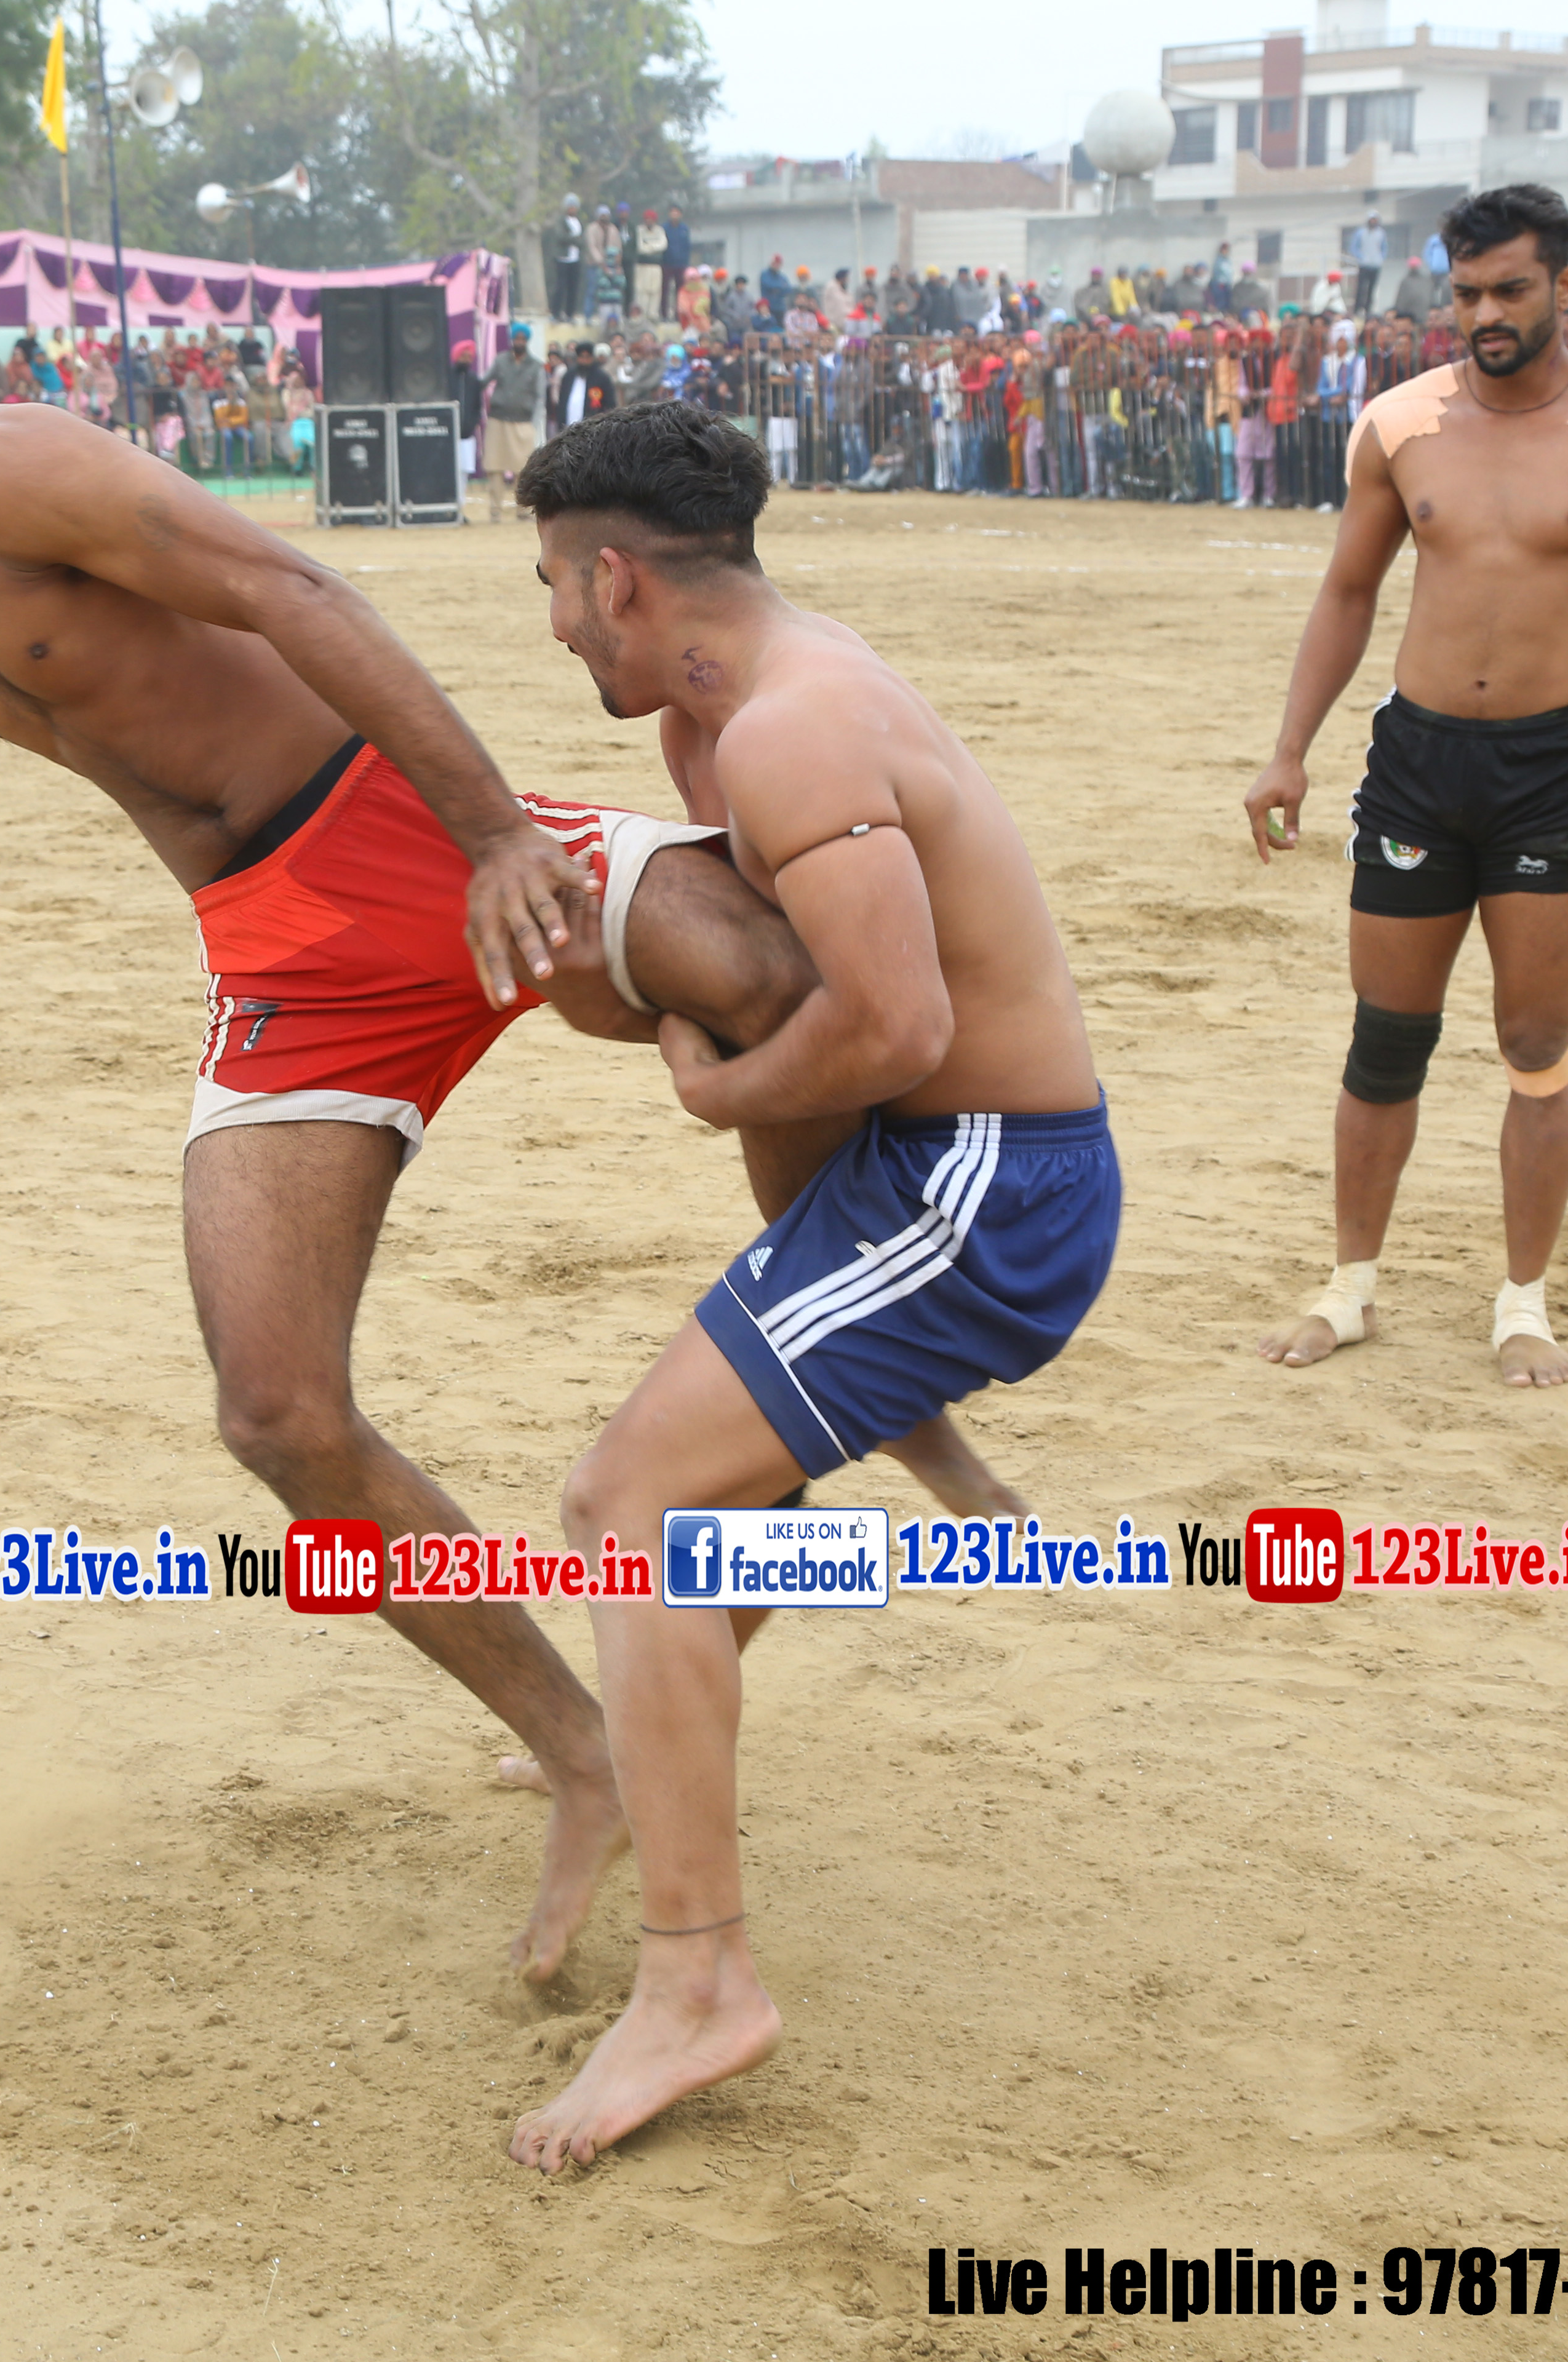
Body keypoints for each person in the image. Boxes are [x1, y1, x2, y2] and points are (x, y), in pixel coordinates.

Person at [0, 286, 1022, 1984]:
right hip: (280, 951)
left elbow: (296, 592)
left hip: (412, 833)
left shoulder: (3, 471)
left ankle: (862, 1373)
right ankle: (585, 1749)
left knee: (775, 984)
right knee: (275, 1411)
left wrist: (493, 835)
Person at [499, 403, 1116, 2169]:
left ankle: (698, 1983)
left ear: (619, 580)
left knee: (625, 1503)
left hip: (985, 1188)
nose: (552, 626)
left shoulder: (793, 729)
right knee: (680, 1513)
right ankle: (663, 1738)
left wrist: (711, 1092)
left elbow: (896, 1027)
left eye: (552, 587)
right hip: (916, 1173)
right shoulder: (716, 727)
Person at [1242, 185, 1568, 1385]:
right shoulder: (1401, 425)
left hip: (1551, 769)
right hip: (1416, 764)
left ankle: (1524, 1304)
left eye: (1510, 289)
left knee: (1535, 1040)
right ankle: (1350, 1290)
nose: (1485, 314)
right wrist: (1290, 747)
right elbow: (1348, 592)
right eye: (1466, 294)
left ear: (1566, 284)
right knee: (1384, 1039)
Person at [482, 322, 543, 522]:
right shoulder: (500, 361)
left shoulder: (536, 366)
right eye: (517, 339)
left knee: (523, 469)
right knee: (495, 467)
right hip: (498, 420)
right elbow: (484, 382)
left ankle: (523, 511)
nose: (519, 342)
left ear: (527, 341)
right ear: (512, 340)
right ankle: (495, 511)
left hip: (523, 422)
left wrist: (533, 424)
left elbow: (540, 397)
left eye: (523, 339)